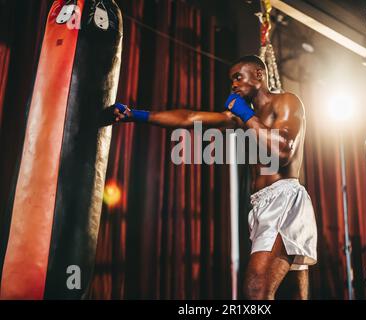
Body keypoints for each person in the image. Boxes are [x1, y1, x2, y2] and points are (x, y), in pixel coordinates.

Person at [110, 55, 317, 300]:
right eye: (232, 81)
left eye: (238, 77)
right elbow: (190, 119)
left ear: (259, 75)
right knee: (294, 295)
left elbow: (282, 152)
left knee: (256, 290)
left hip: (284, 198)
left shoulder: (286, 102)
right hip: (262, 204)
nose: (234, 85)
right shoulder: (241, 119)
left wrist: (245, 114)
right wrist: (137, 115)